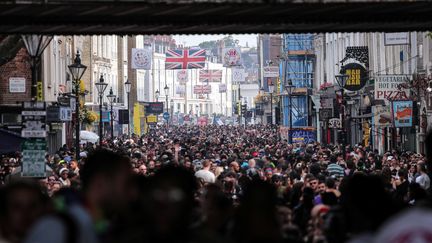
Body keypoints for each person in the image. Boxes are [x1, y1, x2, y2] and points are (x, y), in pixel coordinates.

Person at [24, 149, 133, 243]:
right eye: (122, 184)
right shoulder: (58, 226)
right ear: (100, 182)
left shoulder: (106, 224)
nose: (126, 191)